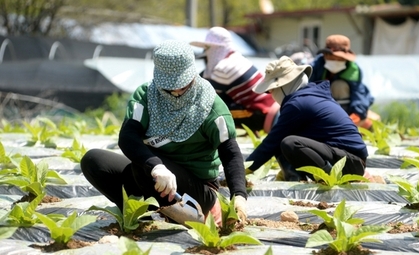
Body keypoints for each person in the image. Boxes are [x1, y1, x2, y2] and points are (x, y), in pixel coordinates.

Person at [80, 40, 248, 226]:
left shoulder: (211, 106)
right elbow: (128, 136)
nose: (176, 92)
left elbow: (230, 152)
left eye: (183, 86)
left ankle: (198, 213)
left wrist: (239, 195)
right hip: (154, 175)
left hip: (195, 188)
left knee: (143, 170)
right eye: (169, 87)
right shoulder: (146, 96)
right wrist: (156, 166)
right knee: (93, 161)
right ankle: (143, 218)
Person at [245, 55, 368, 182]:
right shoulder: (309, 96)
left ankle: (329, 177)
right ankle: (295, 178)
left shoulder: (298, 104)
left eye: (271, 90)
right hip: (347, 158)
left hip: (350, 162)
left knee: (290, 143)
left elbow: (270, 144)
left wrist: (243, 170)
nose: (271, 95)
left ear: (283, 86)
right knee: (283, 139)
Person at [190, 26, 279, 136]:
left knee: (211, 110)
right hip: (269, 107)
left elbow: (206, 97)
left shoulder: (222, 68)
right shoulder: (236, 59)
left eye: (207, 48)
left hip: (259, 113)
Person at [308, 34, 379, 130]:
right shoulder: (316, 66)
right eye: (333, 58)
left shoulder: (353, 70)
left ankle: (359, 122)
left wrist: (355, 116)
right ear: (325, 55)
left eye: (340, 59)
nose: (336, 61)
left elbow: (358, 96)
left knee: (339, 85)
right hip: (322, 107)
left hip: (347, 109)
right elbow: (307, 89)